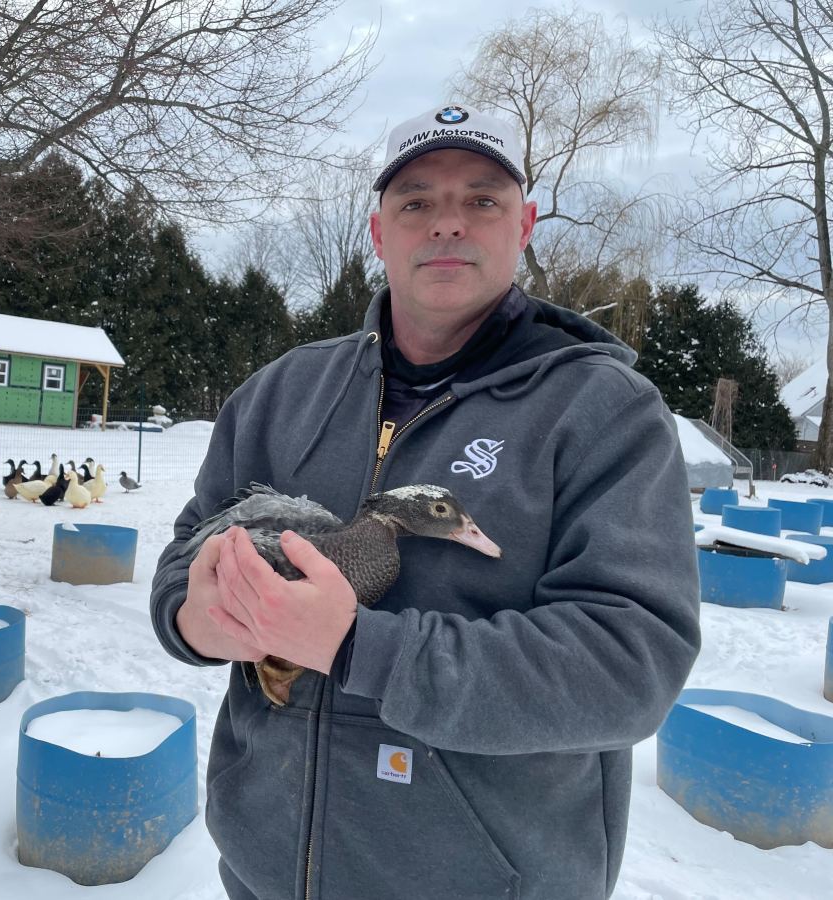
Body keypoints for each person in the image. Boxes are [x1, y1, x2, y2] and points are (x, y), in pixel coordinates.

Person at [150, 102, 701, 900]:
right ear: (380, 233)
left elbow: (629, 664)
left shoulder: (604, 411)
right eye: (416, 202)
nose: (448, 224)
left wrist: (356, 648)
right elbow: (187, 552)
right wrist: (191, 618)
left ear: (526, 226)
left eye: (482, 199)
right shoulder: (281, 392)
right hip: (265, 874)